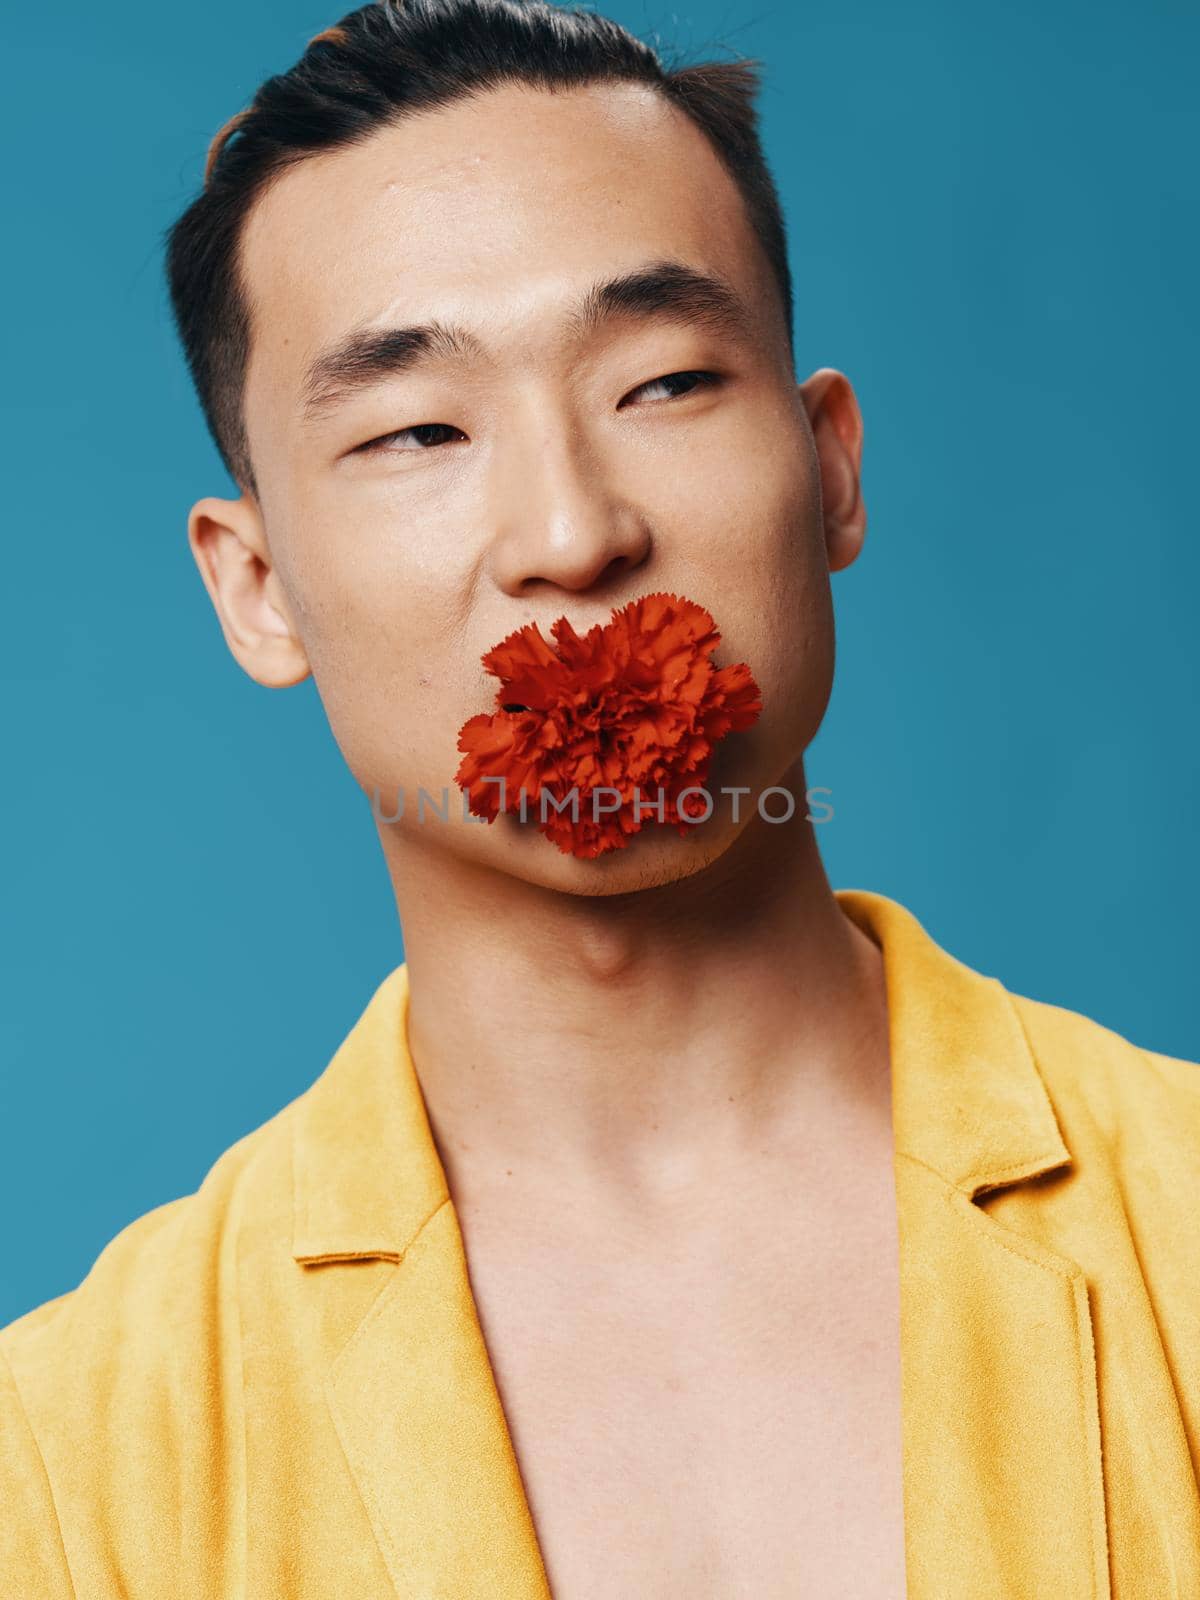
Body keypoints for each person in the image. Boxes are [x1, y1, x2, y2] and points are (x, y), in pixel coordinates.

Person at [2, 2, 1197, 1596]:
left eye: (664, 383)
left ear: (830, 466)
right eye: (419, 429)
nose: (570, 534)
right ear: (260, 587)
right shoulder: (68, 1457)